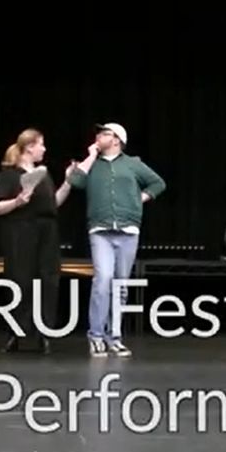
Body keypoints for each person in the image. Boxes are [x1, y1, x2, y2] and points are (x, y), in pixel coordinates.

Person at [68, 122, 166, 357]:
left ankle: (115, 337)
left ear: (116, 140)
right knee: (102, 281)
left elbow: (158, 183)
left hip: (128, 230)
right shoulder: (93, 164)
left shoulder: (132, 164)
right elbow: (75, 182)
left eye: (104, 134)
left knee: (120, 285)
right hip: (101, 230)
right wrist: (90, 156)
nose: (98, 136)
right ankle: (96, 336)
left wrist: (139, 198)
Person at [0, 129, 73, 354]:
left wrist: (67, 182)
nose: (44, 149)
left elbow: (52, 203)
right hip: (20, 232)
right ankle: (16, 333)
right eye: (41, 145)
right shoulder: (8, 175)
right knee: (20, 280)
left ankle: (44, 333)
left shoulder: (43, 175)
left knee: (48, 279)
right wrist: (17, 201)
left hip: (46, 233)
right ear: (29, 147)